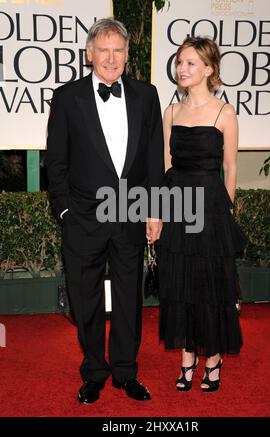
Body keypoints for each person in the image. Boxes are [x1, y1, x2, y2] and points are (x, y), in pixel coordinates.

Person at [46, 18, 164, 404]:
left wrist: (155, 210)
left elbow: (152, 161)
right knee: (86, 297)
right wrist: (64, 211)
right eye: (104, 49)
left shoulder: (147, 96)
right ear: (89, 54)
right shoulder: (67, 98)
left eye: (118, 50)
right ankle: (95, 370)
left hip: (131, 213)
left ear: (127, 55)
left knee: (129, 297)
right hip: (82, 216)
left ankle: (126, 372)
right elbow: (57, 163)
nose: (111, 57)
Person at [158, 36, 246, 392]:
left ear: (210, 70)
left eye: (191, 63)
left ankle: (213, 358)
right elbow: (166, 165)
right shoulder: (172, 112)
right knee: (180, 284)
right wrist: (161, 213)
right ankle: (187, 357)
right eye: (180, 62)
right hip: (178, 206)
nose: (183, 69)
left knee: (211, 285)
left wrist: (223, 212)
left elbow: (231, 169)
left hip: (210, 208)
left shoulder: (225, 112)